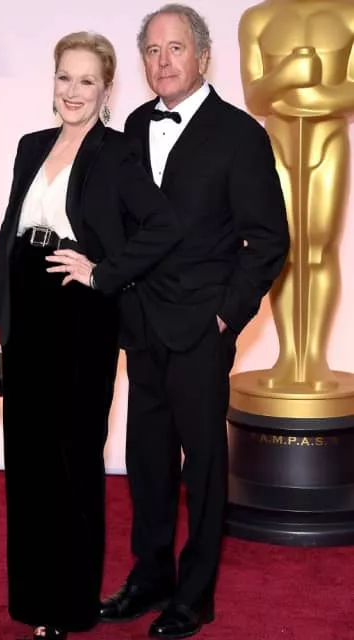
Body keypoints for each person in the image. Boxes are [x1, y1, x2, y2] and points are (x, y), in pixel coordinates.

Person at [0, 31, 180, 640]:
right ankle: (34, 601)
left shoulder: (117, 153)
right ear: (54, 80)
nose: (73, 90)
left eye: (87, 80)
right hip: (25, 303)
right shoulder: (30, 145)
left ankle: (68, 606)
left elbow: (164, 224)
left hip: (79, 311)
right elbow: (8, 232)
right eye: (65, 77)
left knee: (73, 460)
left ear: (106, 89)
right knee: (29, 461)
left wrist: (103, 271)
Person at [96, 5, 290, 638]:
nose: (163, 61)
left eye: (175, 48)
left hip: (201, 327)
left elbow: (268, 240)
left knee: (203, 467)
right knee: (147, 460)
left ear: (203, 56)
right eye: (152, 51)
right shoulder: (133, 125)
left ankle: (195, 596)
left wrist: (226, 316)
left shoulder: (240, 134)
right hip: (142, 323)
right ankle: (149, 577)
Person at [238, 0, 354, 392]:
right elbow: (255, 97)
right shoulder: (258, 18)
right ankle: (289, 355)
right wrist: (287, 75)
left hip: (328, 140)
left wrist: (308, 99)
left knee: (319, 249)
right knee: (282, 250)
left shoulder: (349, 14)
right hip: (276, 143)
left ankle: (314, 357)